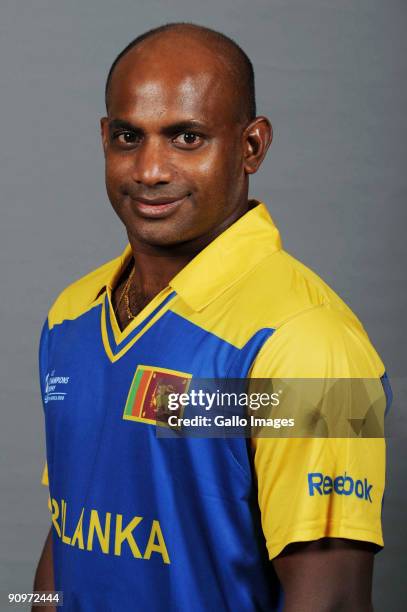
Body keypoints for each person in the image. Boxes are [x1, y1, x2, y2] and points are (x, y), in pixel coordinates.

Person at [33, 22, 391, 612]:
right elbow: (69, 538)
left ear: (252, 146)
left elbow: (333, 603)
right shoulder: (69, 317)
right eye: (129, 136)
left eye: (186, 138)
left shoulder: (312, 344)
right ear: (104, 138)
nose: (149, 169)